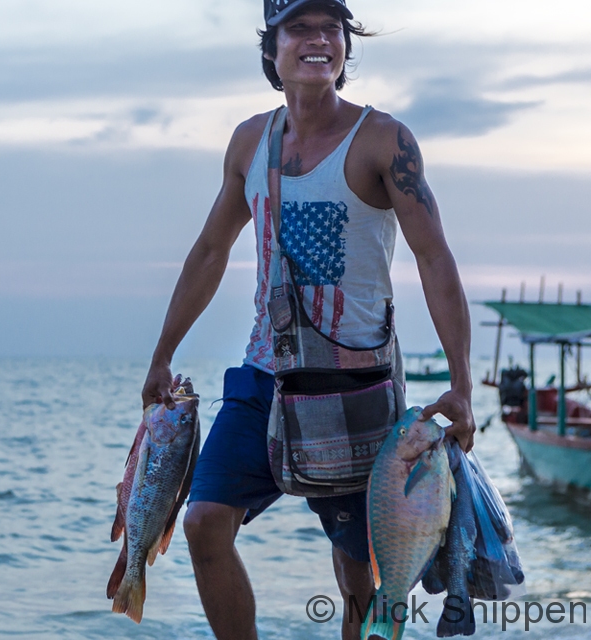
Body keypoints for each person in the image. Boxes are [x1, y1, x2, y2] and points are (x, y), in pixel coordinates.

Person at [140, 1, 476, 638]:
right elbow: (212, 249)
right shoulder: (250, 141)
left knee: (358, 573)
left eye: (332, 29)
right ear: (272, 48)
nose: (318, 40)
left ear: (347, 47)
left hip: (354, 386)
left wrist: (461, 382)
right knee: (203, 523)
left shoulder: (384, 139)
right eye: (300, 28)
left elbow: (434, 257)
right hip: (265, 374)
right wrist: (163, 353)